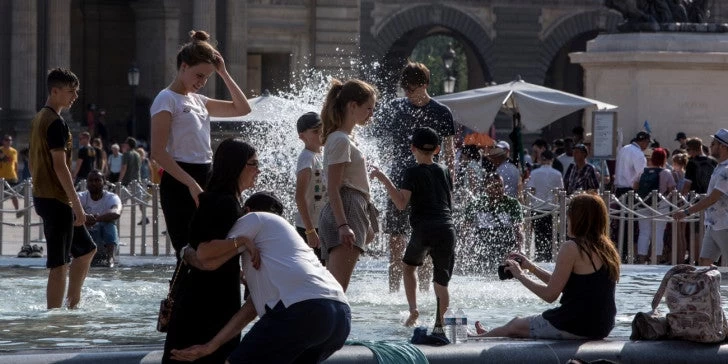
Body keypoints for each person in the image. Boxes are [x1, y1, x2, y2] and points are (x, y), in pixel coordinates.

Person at [170, 192, 350, 364]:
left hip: (303, 311)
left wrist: (185, 250)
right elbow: (252, 308)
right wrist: (211, 346)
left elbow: (207, 260)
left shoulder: (252, 218)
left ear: (246, 210)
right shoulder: (285, 242)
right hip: (339, 316)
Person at [150, 30, 251, 260]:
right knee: (189, 251)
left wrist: (223, 72)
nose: (202, 82)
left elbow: (243, 109)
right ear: (183, 67)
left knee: (213, 246)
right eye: (199, 75)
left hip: (206, 174)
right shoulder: (165, 99)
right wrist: (190, 183)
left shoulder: (200, 101)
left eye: (206, 77)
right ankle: (179, 296)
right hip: (179, 179)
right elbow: (157, 152)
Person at [471, 193, 620, 340]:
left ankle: (477, 339)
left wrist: (519, 275)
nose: (565, 221)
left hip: (574, 325)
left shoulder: (571, 248)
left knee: (515, 324)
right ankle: (489, 334)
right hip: (601, 327)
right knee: (519, 328)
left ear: (578, 219)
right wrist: (531, 267)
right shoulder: (608, 249)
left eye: (568, 216)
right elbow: (563, 284)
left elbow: (550, 295)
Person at [163, 139, 259, 364]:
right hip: (205, 306)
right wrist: (242, 241)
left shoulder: (227, 199)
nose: (258, 170)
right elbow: (205, 252)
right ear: (236, 166)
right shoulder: (223, 203)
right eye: (253, 164)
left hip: (210, 299)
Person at [373, 61, 455, 293]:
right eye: (405, 88)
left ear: (425, 84)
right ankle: (393, 292)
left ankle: (425, 294)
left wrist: (450, 187)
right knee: (396, 240)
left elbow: (449, 153)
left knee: (428, 241)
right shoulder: (395, 108)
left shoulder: (441, 112)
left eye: (412, 88)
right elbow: (378, 140)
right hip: (400, 179)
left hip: (432, 184)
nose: (408, 93)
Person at [370, 127, 456, 327]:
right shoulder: (444, 170)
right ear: (437, 149)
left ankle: (413, 310)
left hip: (424, 228)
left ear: (412, 148)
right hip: (446, 228)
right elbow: (449, 202)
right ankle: (440, 324)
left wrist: (383, 178)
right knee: (441, 282)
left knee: (408, 268)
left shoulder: (411, 172)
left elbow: (401, 203)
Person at [29, 68, 96, 309]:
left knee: (87, 250)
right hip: (56, 198)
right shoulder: (56, 123)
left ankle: (72, 304)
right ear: (55, 91)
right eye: (71, 91)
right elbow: (60, 166)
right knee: (59, 264)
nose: (75, 96)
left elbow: (31, 160)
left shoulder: (39, 118)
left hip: (46, 196)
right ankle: (55, 317)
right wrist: (77, 205)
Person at [318, 78, 378, 292]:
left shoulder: (342, 138)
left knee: (333, 288)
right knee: (336, 290)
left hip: (350, 208)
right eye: (368, 108)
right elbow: (334, 187)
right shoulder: (341, 140)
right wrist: (344, 225)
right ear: (353, 106)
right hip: (347, 207)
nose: (371, 114)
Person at [674, 129, 728, 266]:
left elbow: (712, 198)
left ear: (723, 146)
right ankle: (711, 288)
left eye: (714, 143)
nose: (710, 146)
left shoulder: (726, 170)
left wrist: (686, 212)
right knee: (704, 262)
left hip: (724, 225)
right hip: (713, 224)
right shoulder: (719, 166)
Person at [463, 172, 524, 274]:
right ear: (486, 188)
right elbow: (465, 228)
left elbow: (518, 229)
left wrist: (520, 249)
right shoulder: (476, 203)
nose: (499, 189)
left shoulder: (512, 203)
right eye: (495, 186)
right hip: (482, 244)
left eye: (501, 186)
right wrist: (466, 248)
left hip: (506, 242)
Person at [632, 148, 676, 264]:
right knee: (659, 231)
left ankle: (641, 258)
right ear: (664, 159)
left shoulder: (642, 171)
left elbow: (635, 186)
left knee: (644, 232)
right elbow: (672, 189)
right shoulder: (666, 173)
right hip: (661, 204)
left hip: (643, 203)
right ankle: (655, 258)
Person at [294, 112, 326, 264]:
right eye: (315, 131)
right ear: (302, 136)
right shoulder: (307, 158)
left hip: (322, 224)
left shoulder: (322, 155)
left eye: (322, 129)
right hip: (309, 227)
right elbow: (299, 196)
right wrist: (310, 230)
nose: (321, 134)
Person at [526, 150, 563, 262]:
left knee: (538, 236)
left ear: (542, 159)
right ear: (552, 160)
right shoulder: (557, 173)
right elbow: (561, 191)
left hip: (537, 207)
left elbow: (531, 189)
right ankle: (550, 257)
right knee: (551, 235)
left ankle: (539, 257)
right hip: (552, 208)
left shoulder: (535, 173)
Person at [78, 170, 121, 267]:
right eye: (91, 180)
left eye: (97, 180)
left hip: (105, 240)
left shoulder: (112, 197)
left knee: (109, 224)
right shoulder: (81, 197)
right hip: (87, 238)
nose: (93, 183)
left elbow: (116, 212)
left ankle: (110, 258)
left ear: (104, 182)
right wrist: (85, 218)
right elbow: (71, 212)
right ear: (87, 183)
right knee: (76, 223)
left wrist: (97, 219)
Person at [614, 131, 650, 197]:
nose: (647, 146)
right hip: (630, 191)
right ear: (645, 141)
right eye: (647, 143)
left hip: (618, 190)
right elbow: (642, 174)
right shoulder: (639, 153)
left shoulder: (623, 149)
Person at [0, 134, 21, 216]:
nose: (9, 142)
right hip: (1, 177)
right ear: (3, 141)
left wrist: (17, 174)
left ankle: (18, 211)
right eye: (7, 140)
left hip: (11, 176)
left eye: (10, 140)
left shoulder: (14, 151)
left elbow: (15, 164)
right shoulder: (0, 150)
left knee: (14, 195)